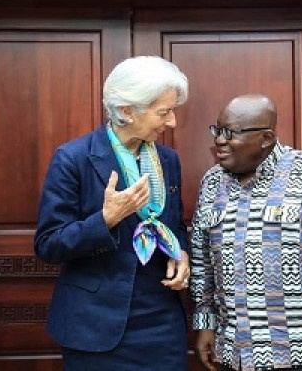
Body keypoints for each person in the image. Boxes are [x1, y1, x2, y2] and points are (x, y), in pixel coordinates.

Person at [190, 94, 302, 371]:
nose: (219, 140)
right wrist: (206, 323)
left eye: (231, 133)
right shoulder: (212, 183)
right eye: (218, 130)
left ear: (266, 138)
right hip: (233, 352)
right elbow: (202, 260)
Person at [34, 56, 191, 371]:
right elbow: (48, 244)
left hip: (161, 323)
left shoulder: (168, 160)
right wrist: (105, 219)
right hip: (94, 325)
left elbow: (175, 225)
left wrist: (181, 252)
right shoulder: (73, 158)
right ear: (126, 111)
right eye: (164, 112)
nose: (172, 122)